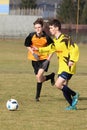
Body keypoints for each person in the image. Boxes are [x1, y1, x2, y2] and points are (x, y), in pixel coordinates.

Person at [35, 19, 79, 110]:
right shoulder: (56, 41)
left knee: (58, 84)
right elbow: (51, 48)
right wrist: (39, 50)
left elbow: (75, 48)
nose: (50, 30)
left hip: (68, 65)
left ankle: (75, 94)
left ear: (57, 28)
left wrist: (72, 60)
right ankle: (72, 106)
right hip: (62, 67)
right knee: (63, 87)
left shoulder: (65, 38)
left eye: (51, 28)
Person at [24, 18, 55, 102]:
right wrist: (33, 53)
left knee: (38, 76)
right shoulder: (31, 35)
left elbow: (53, 48)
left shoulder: (47, 37)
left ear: (42, 27)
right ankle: (51, 76)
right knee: (39, 78)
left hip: (44, 59)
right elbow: (27, 44)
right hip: (34, 59)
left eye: (39, 27)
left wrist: (48, 59)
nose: (37, 29)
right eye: (36, 27)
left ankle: (37, 97)